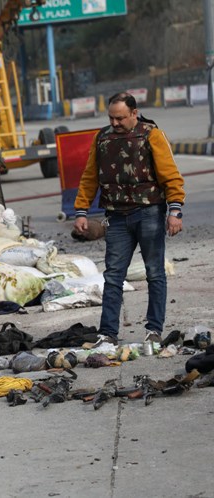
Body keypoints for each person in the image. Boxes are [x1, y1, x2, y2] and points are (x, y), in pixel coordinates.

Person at [74, 92, 185, 344]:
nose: (115, 123)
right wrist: (81, 210)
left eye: (120, 118)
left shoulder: (152, 135)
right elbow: (90, 176)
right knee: (113, 277)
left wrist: (175, 211)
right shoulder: (102, 138)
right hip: (116, 217)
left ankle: (153, 330)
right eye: (111, 118)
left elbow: (170, 175)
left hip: (149, 214)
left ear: (134, 113)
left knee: (155, 273)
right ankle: (107, 334)